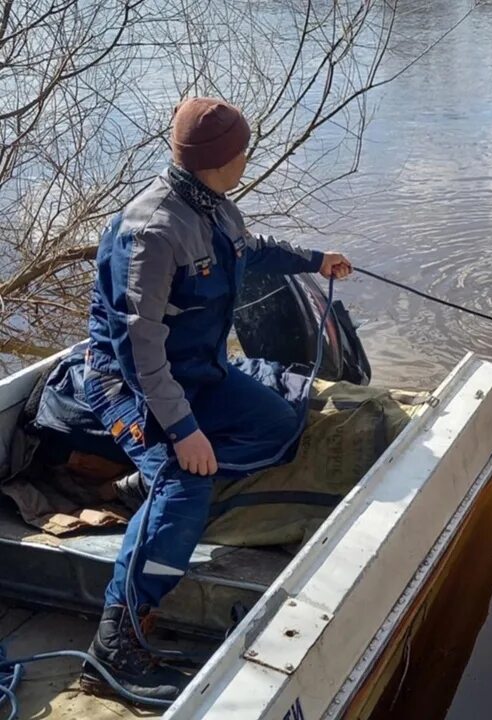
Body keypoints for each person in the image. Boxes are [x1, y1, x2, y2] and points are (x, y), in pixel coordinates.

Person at [81, 97, 352, 703]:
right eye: (241, 152)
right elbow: (136, 346)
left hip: (199, 370)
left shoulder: (212, 206)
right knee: (187, 486)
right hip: (130, 383)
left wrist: (316, 260)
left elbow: (248, 249)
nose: (247, 159)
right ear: (216, 160)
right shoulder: (152, 232)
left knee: (279, 424)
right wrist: (182, 432)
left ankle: (142, 482)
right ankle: (114, 646)